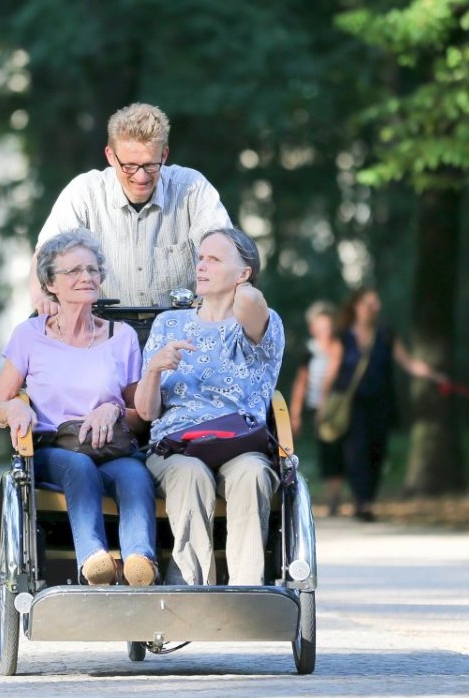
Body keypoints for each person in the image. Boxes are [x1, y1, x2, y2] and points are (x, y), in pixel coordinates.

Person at [0, 228, 158, 587]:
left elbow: (141, 418)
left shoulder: (121, 336)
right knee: (79, 467)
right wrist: (15, 410)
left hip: (112, 446)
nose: (87, 277)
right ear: (51, 283)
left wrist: (112, 410)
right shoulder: (29, 335)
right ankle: (94, 560)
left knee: (135, 475)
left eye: (93, 270)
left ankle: (140, 562)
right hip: (56, 447)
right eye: (75, 271)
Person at [134, 228, 285, 586]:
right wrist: (155, 368)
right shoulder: (169, 323)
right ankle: (191, 584)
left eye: (214, 260)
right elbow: (146, 412)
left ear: (244, 273)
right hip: (176, 446)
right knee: (191, 474)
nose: (201, 267)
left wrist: (238, 289)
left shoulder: (258, 323)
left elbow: (251, 303)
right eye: (200, 258)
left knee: (252, 473)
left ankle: (246, 589)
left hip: (239, 443)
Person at [30, 102, 231, 316]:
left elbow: (226, 251)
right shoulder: (84, 192)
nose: (141, 177)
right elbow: (47, 253)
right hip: (103, 333)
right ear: (110, 156)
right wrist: (42, 298)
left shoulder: (192, 188)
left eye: (150, 165)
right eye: (130, 166)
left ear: (164, 155)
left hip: (182, 330)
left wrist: (213, 302)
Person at [321, 287, 438, 522]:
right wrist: (324, 404)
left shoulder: (386, 335)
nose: (376, 308)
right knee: (356, 452)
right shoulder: (344, 337)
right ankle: (362, 502)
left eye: (377, 304)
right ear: (358, 306)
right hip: (352, 407)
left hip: (381, 405)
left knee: (377, 451)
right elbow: (332, 371)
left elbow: (407, 362)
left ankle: (367, 499)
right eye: (370, 303)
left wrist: (431, 374)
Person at [289, 301, 343, 515]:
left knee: (338, 450)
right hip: (315, 407)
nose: (324, 332)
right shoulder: (309, 350)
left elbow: (332, 376)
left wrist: (325, 403)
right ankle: (332, 498)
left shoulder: (339, 347)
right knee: (327, 450)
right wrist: (295, 413)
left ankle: (336, 497)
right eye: (320, 327)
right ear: (313, 328)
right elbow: (301, 382)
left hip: (337, 407)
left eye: (327, 327)